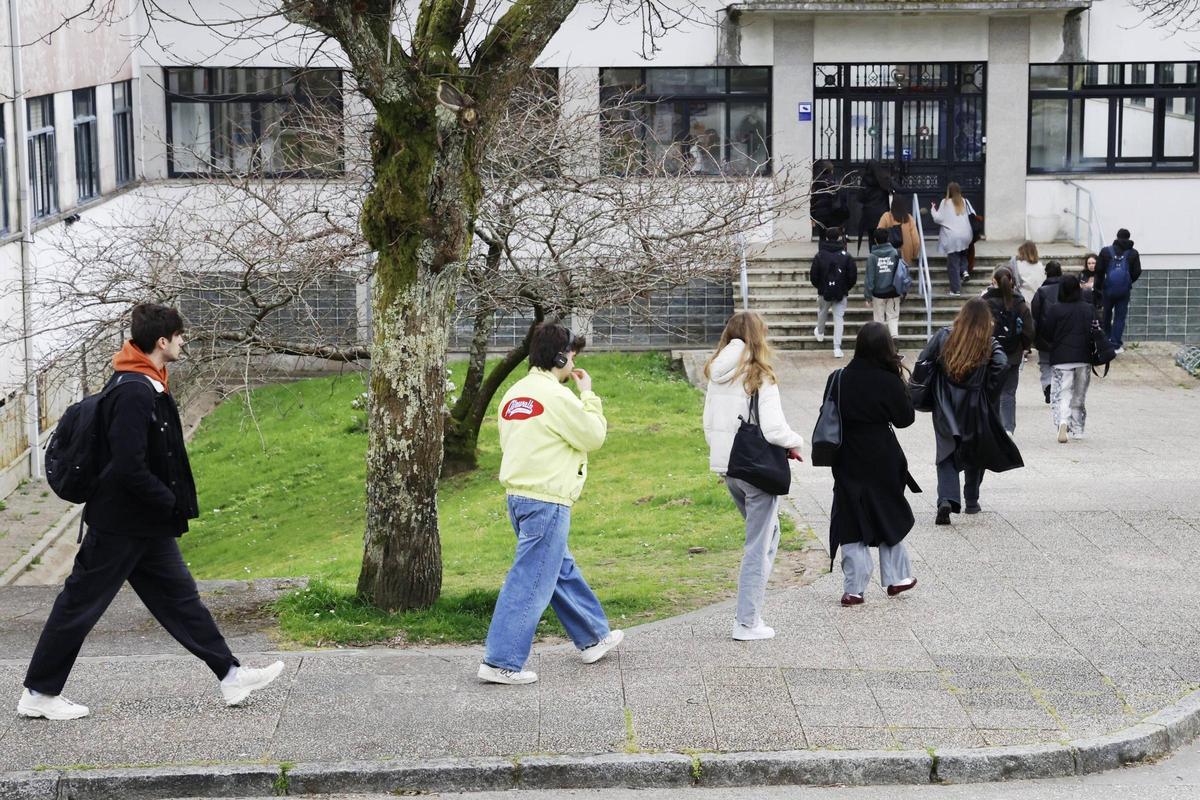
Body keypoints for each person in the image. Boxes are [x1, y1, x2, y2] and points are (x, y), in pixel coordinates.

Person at [18, 304, 284, 721]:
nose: (183, 342)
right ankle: (38, 693)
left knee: (181, 601)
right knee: (78, 605)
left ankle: (231, 675)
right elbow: (127, 465)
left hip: (144, 525)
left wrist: (163, 506)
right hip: (121, 523)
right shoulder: (133, 391)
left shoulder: (147, 382)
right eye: (180, 336)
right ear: (162, 341)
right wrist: (168, 499)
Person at [480, 323, 623, 685]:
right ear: (560, 357)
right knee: (530, 580)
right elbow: (593, 435)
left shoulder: (513, 394)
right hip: (547, 500)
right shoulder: (556, 397)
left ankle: (593, 636)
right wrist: (588, 394)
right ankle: (501, 661)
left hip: (518, 497)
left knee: (557, 568)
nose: (573, 361)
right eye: (571, 354)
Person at [702, 312, 805, 640]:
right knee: (758, 545)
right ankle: (747, 621)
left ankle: (751, 609)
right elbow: (774, 429)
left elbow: (710, 424)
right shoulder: (758, 374)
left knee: (768, 535)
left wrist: (723, 459)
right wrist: (796, 442)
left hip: (731, 467)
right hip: (757, 469)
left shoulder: (716, 372)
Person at [825, 323, 918, 607]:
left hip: (847, 455)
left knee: (851, 517)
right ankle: (896, 577)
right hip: (882, 455)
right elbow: (905, 419)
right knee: (887, 512)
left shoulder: (838, 378)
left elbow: (829, 413)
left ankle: (854, 588)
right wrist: (898, 377)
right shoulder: (888, 380)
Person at [917, 298, 1023, 525]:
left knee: (946, 452)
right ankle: (971, 500)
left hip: (946, 402)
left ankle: (946, 498)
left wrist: (926, 389)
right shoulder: (988, 342)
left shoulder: (944, 335)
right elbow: (1002, 364)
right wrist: (988, 392)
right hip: (975, 403)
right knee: (976, 448)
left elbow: (923, 361)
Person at [1040, 276, 1097, 443]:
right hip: (1083, 357)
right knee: (1079, 395)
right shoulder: (1088, 308)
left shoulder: (1055, 309)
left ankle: (1062, 421)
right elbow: (1095, 330)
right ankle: (1078, 429)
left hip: (1061, 358)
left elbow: (1046, 332)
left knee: (1062, 393)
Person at [982, 267, 1034, 434]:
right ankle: (1008, 429)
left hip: (989, 353)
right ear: (1011, 281)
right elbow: (1029, 330)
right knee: (1009, 393)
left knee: (989, 390)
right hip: (1013, 353)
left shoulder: (985, 302)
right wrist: (1024, 346)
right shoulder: (1020, 303)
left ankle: (992, 427)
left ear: (993, 281)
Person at [809, 226, 857, 358]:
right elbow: (852, 276)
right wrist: (845, 288)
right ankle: (837, 347)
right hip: (841, 292)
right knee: (839, 318)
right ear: (839, 238)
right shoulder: (846, 256)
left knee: (822, 312)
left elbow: (814, 276)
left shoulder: (820, 255)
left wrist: (820, 287)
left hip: (824, 291)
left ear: (826, 238)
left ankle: (820, 332)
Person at [1095, 229, 1142, 354]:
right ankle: (1115, 344)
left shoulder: (1106, 251)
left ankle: (1105, 342)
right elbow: (1137, 271)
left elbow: (1099, 271)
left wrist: (1098, 288)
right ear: (1129, 237)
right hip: (1124, 291)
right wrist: (1128, 282)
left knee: (1106, 315)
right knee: (1120, 317)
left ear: (1117, 237)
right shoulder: (1133, 253)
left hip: (1108, 289)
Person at [1031, 260, 1066, 405]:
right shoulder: (1067, 289)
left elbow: (1035, 314)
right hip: (1064, 334)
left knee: (1045, 363)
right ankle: (1059, 389)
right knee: (1063, 364)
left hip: (1045, 334)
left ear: (1046, 273)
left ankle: (1048, 386)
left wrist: (1034, 336)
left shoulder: (1041, 292)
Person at [930, 183, 973, 297]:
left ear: (949, 191)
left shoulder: (945, 202)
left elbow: (938, 219)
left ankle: (955, 290)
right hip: (966, 235)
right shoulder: (964, 201)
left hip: (952, 237)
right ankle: (964, 271)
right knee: (963, 254)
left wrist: (933, 209)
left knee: (953, 264)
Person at [864, 228, 902, 339]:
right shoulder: (895, 253)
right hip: (893, 291)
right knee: (893, 317)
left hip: (878, 293)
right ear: (888, 238)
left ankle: (880, 343)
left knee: (878, 320)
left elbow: (869, 278)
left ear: (875, 240)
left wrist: (868, 296)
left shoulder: (872, 257)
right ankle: (894, 341)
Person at [856, 160, 893, 253]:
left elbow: (860, 198)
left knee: (872, 238)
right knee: (883, 237)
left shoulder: (865, 180)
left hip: (869, 213)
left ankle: (874, 256)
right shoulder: (883, 179)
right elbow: (891, 190)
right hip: (882, 213)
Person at [876, 194, 920, 268]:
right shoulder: (909, 218)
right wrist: (914, 255)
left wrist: (881, 251)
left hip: (888, 256)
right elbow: (916, 241)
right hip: (906, 258)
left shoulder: (886, 216)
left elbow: (878, 235)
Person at [810, 160, 847, 234]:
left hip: (820, 212)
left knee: (822, 235)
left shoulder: (817, 182)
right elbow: (841, 196)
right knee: (833, 234)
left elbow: (813, 199)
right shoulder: (835, 181)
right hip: (833, 211)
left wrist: (812, 216)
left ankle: (822, 245)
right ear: (831, 170)